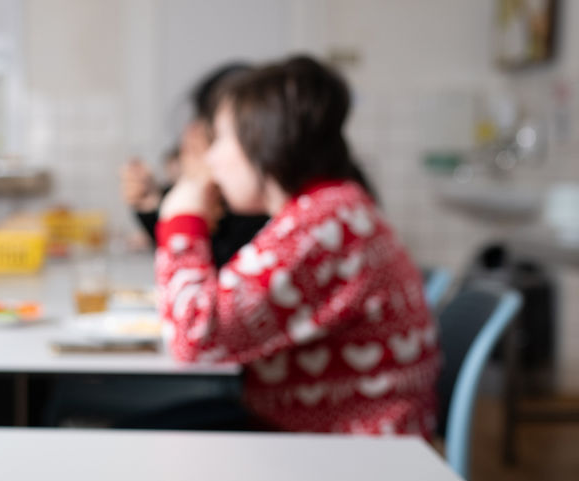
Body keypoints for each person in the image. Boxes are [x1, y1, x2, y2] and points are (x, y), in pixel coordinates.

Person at [155, 55, 439, 436]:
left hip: (350, 450)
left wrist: (182, 223)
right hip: (323, 432)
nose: (212, 158)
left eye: (222, 138)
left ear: (265, 141)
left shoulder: (324, 225)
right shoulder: (332, 208)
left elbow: (193, 339)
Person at [122, 63, 269, 267]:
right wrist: (154, 205)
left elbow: (209, 284)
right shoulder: (230, 200)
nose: (190, 132)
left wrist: (193, 189)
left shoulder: (275, 220)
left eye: (222, 133)